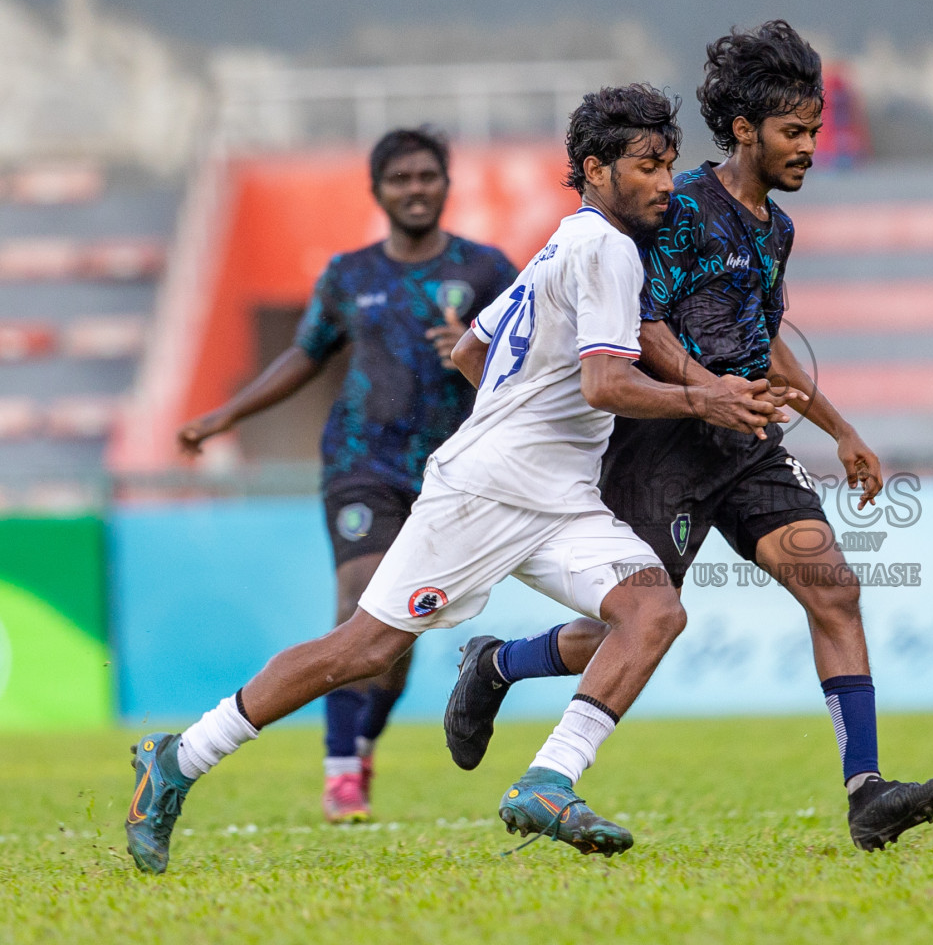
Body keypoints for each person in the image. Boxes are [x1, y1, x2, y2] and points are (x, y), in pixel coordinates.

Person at [126, 84, 791, 874]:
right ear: (594, 168)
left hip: (558, 496)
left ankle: (547, 780)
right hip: (487, 489)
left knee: (652, 612)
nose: (661, 183)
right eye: (646, 166)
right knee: (364, 648)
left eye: (668, 166)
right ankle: (177, 759)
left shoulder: (563, 243)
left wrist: (523, 413)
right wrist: (706, 395)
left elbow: (472, 350)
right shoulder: (606, 248)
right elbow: (605, 384)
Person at [443, 21, 933, 852]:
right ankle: (498, 663)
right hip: (660, 446)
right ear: (747, 129)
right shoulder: (675, 207)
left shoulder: (774, 230)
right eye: (795, 133)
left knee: (831, 587)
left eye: (815, 133)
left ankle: (866, 790)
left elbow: (764, 341)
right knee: (640, 621)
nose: (808, 149)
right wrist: (704, 391)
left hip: (745, 441)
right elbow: (636, 325)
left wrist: (841, 428)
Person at [176, 127, 515, 823]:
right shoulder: (347, 275)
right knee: (358, 601)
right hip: (360, 462)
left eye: (427, 176)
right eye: (401, 178)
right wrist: (224, 416)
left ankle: (360, 744)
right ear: (378, 190)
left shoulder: (486, 270)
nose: (415, 188)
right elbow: (302, 356)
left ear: (445, 185)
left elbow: (527, 358)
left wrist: (472, 349)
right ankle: (339, 774)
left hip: (450, 474)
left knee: (393, 641)